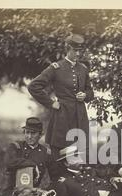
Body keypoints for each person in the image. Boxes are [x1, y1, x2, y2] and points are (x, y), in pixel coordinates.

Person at [28, 33, 94, 163]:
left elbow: (90, 91)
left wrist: (85, 95)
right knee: (59, 151)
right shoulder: (56, 68)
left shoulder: (83, 68)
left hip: (80, 115)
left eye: (80, 51)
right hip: (62, 115)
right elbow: (33, 86)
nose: (78, 54)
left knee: (81, 151)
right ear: (67, 49)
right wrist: (51, 103)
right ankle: (58, 180)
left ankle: (79, 179)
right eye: (75, 50)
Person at [0, 117, 70, 196]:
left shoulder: (45, 153)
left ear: (40, 135)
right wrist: (31, 164)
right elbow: (9, 162)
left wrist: (48, 191)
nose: (29, 136)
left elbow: (55, 176)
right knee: (27, 194)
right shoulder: (16, 147)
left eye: (33, 133)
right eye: (27, 132)